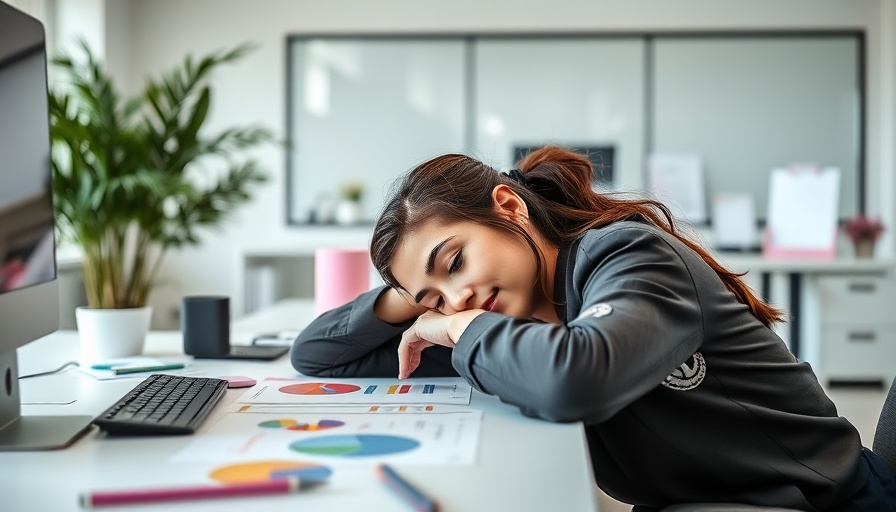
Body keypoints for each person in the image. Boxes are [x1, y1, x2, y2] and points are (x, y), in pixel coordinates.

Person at [292, 146, 896, 511]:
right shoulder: (509, 323)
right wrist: (407, 299)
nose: (457, 298)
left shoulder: (628, 255)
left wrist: (454, 321)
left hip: (824, 501)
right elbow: (318, 355)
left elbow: (578, 375)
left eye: (455, 261)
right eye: (436, 299)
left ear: (510, 207)